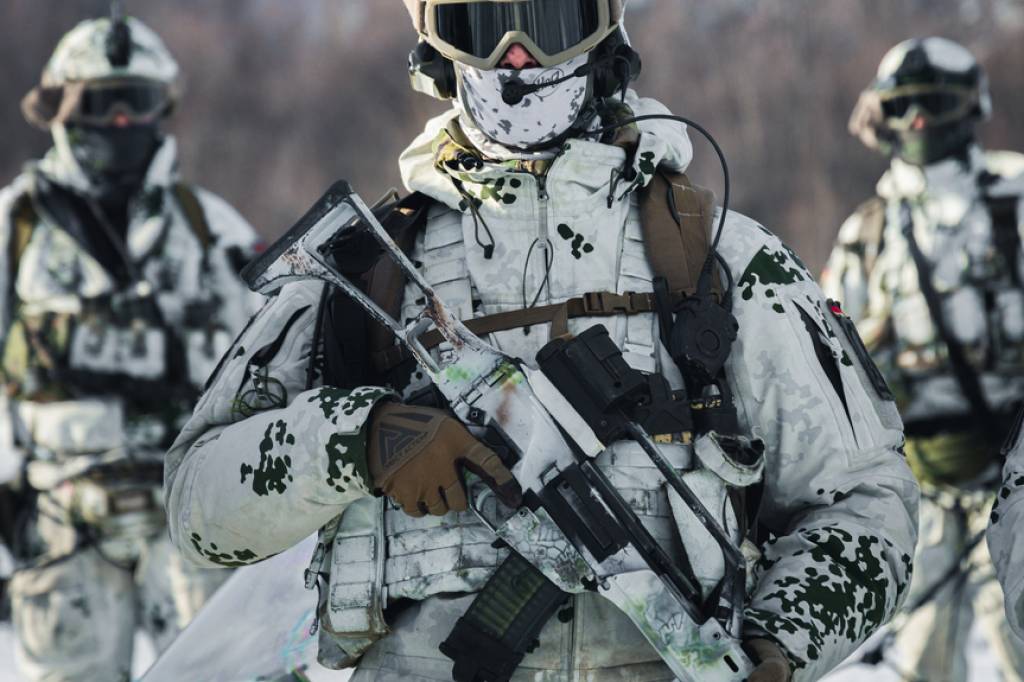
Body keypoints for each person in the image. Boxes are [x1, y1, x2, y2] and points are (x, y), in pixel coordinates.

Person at [164, 2, 918, 680]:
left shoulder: (719, 262)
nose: (518, 56)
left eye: (551, 20)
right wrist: (357, 441)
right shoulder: (363, 276)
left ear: (604, 36)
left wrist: (779, 646)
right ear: (436, 48)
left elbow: (864, 501)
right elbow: (198, 505)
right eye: (483, 26)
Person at [0, 9, 262, 681]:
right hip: (62, 516)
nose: (120, 123)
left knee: (220, 671)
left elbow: (268, 363)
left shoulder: (210, 229)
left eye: (137, 103)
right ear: (60, 106)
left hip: (190, 513)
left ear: (162, 108)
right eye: (101, 103)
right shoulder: (13, 230)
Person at [823, 36, 1024, 682]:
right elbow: (830, 377)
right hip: (925, 492)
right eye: (905, 107)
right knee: (919, 662)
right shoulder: (868, 232)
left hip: (1014, 485)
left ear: (969, 108)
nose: (918, 123)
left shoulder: (1016, 198)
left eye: (934, 104)